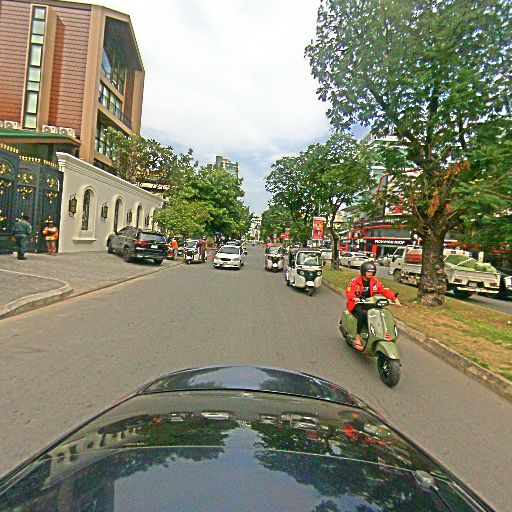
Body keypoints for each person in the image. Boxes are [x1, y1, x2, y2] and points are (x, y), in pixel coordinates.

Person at [345, 261, 401, 351]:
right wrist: (354, 298)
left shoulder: (375, 282)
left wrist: (394, 298)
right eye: (368, 272)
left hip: (369, 303)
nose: (371, 274)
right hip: (357, 303)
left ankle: (379, 333)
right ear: (363, 272)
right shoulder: (355, 281)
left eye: (372, 272)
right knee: (362, 315)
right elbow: (349, 291)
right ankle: (358, 338)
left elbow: (384, 290)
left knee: (379, 313)